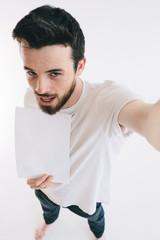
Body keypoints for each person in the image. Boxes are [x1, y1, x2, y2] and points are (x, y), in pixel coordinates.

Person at [12, 5, 160, 240]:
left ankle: (98, 235)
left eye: (54, 73)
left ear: (80, 66)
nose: (40, 89)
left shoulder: (107, 100)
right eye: (31, 72)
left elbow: (150, 119)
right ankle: (49, 222)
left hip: (86, 198)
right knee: (49, 212)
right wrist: (34, 171)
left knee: (96, 220)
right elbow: (36, 142)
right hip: (46, 191)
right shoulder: (31, 97)